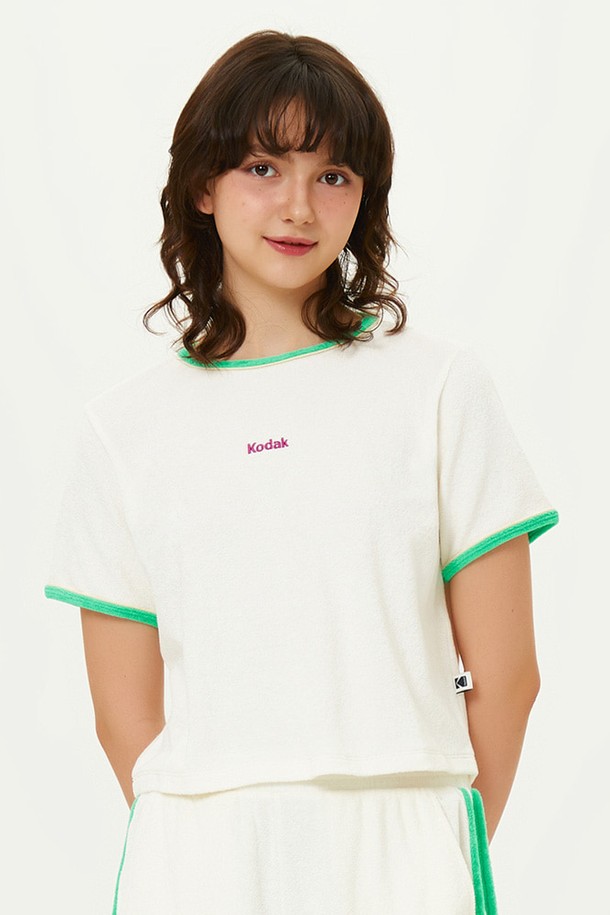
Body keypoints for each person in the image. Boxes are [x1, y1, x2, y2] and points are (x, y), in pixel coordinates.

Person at [43, 29, 559, 915]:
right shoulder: (124, 430)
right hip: (197, 856)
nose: (298, 207)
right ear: (202, 186)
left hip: (402, 841)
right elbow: (124, 716)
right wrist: (203, 845)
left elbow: (508, 677)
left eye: (333, 176)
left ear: (365, 197)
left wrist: (442, 846)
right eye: (262, 167)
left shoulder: (437, 389)